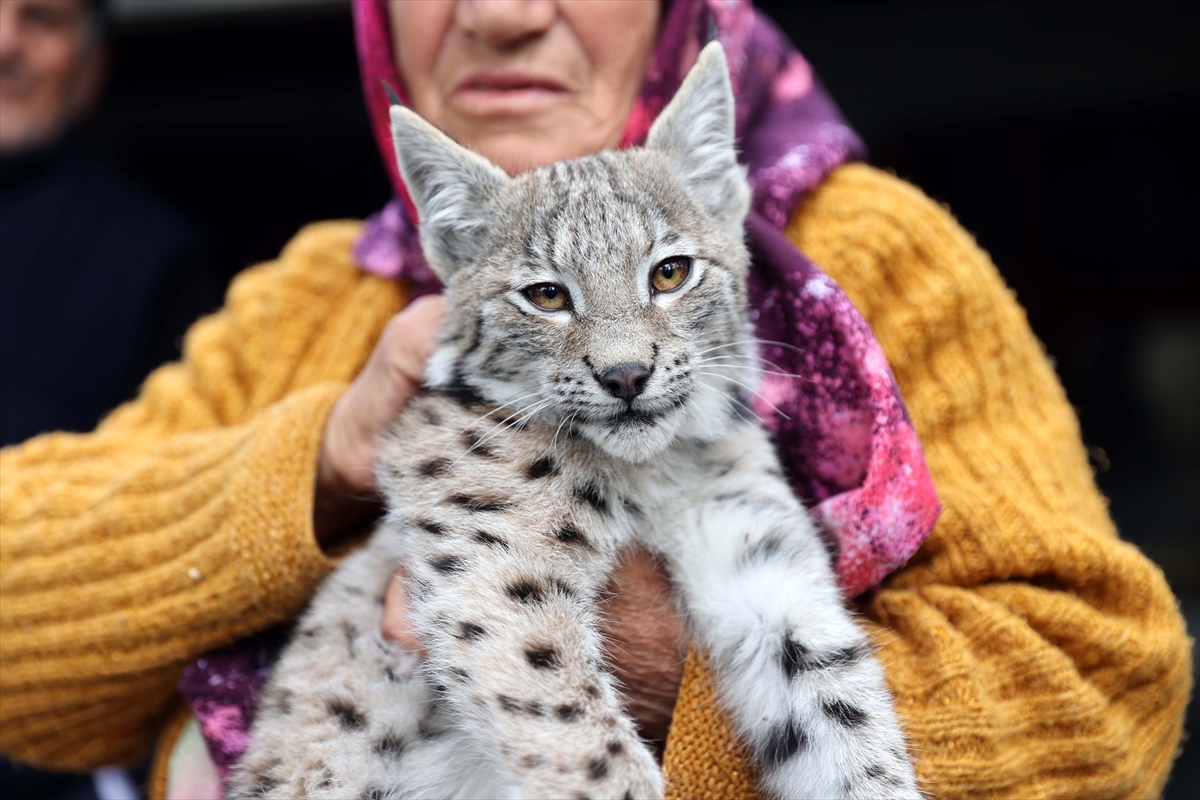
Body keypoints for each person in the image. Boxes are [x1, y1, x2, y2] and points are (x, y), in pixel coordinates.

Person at [0, 2, 1190, 799]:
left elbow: (1104, 688)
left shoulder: (876, 250)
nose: (506, 10)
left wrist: (662, 674)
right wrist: (325, 456)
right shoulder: (311, 293)